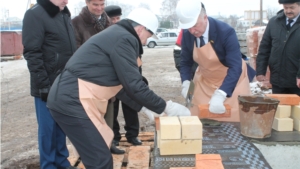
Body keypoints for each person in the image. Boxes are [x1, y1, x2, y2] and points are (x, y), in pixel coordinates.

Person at [47, 8, 190, 168]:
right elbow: (134, 85)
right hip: (72, 100)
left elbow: (121, 86)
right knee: (100, 160)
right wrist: (167, 107)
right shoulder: (124, 38)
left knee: (99, 153)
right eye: (148, 37)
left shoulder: (118, 35)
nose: (144, 42)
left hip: (71, 99)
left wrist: (144, 107)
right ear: (140, 29)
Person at [176, 0, 255, 122]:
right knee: (199, 116)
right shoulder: (187, 34)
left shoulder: (225, 32)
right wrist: (186, 82)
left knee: (234, 117)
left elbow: (235, 66)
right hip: (206, 79)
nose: (192, 31)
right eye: (188, 27)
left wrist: (222, 93)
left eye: (195, 25)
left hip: (233, 81)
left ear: (205, 17)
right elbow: (185, 62)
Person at [22, 0, 77, 168]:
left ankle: (61, 161)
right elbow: (32, 52)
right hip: (47, 84)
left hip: (65, 83)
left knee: (61, 126)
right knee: (48, 130)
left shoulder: (64, 14)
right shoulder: (35, 14)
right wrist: (43, 85)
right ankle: (49, 164)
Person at [72, 0, 126, 154]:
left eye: (102, 4)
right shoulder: (76, 23)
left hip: (107, 77)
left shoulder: (109, 21)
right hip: (88, 78)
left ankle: (108, 144)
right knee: (91, 117)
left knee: (108, 114)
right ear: (87, 3)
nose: (100, 8)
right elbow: (75, 51)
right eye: (95, 4)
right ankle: (93, 150)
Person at [105, 5, 144, 147]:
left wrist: (138, 77)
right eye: (112, 18)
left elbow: (137, 58)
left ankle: (132, 135)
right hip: (112, 78)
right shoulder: (107, 33)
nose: (115, 21)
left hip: (129, 75)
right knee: (112, 109)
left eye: (117, 18)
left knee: (131, 106)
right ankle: (114, 136)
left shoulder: (130, 33)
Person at [256, 0, 300, 95]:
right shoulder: (274, 22)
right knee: (281, 109)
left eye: (292, 7)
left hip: (297, 81)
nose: (288, 11)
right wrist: (260, 70)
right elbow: (265, 48)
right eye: (285, 8)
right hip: (278, 80)